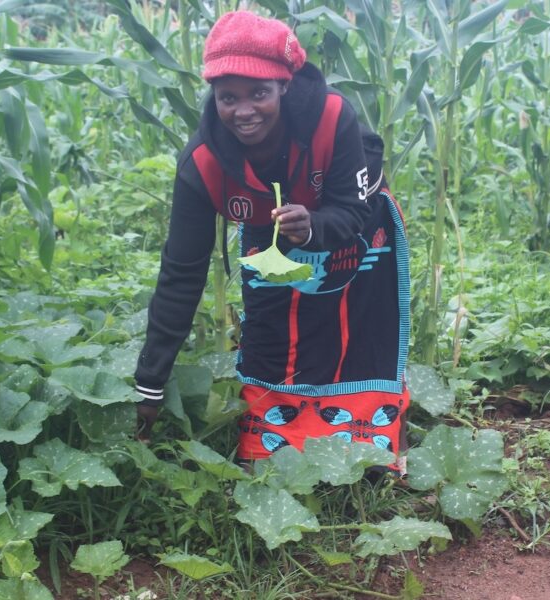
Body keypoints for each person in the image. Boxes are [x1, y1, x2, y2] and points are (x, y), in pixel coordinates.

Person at [133, 10, 411, 467]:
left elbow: (353, 209)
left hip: (353, 225)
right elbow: (180, 276)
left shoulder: (332, 117)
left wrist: (316, 227)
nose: (244, 111)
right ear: (214, 98)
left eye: (259, 93)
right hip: (276, 230)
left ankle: (364, 453)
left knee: (355, 338)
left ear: (283, 86)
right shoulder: (202, 164)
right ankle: (277, 447)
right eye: (228, 98)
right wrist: (150, 384)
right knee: (276, 341)